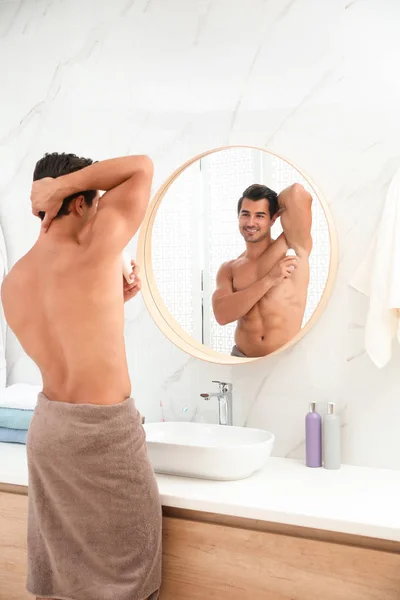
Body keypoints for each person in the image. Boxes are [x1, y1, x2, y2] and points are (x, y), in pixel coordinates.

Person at [1, 152, 162, 600]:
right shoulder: (94, 246)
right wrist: (64, 185)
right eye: (93, 203)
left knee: (63, 575)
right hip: (103, 436)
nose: (98, 213)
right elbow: (142, 167)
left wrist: (111, 300)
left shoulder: (13, 281)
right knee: (129, 577)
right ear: (77, 204)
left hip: (50, 433)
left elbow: (64, 331)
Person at [212, 183, 313, 358]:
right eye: (245, 214)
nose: (251, 223)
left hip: (285, 360)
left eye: (260, 215)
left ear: (273, 219)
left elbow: (297, 192)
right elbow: (222, 315)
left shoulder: (292, 245)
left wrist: (275, 204)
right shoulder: (230, 268)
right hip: (242, 359)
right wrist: (269, 280)